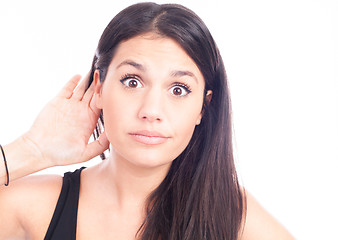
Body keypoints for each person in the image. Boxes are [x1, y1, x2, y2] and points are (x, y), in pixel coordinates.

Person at [0, 2, 294, 239]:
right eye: (132, 82)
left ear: (203, 108)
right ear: (99, 87)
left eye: (178, 89)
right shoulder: (34, 206)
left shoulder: (233, 216)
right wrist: (31, 150)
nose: (151, 110)